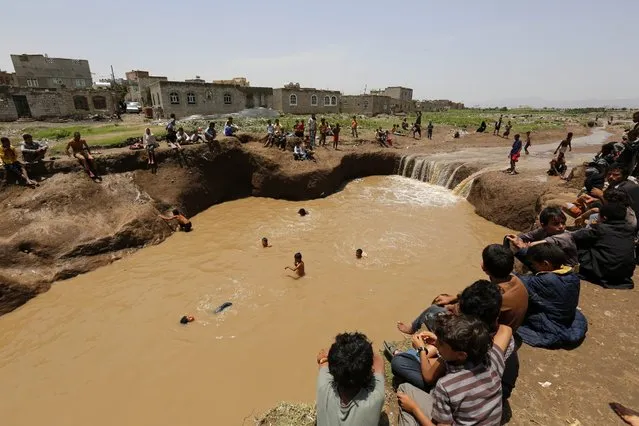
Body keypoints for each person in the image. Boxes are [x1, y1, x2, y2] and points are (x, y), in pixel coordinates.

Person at [396, 315, 512, 426]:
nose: (436, 346)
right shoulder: (493, 358)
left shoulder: (447, 385)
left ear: (461, 355)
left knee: (404, 390)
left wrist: (414, 408)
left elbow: (429, 377)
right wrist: (441, 341)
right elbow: (506, 330)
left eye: (441, 344)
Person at [517, 243, 588, 349]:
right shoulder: (571, 275)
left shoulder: (546, 280)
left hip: (551, 326)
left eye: (535, 264)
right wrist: (520, 250)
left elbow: (517, 280)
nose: (533, 266)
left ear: (546, 264)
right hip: (566, 318)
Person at [315, 332, 384, 426]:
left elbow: (322, 358)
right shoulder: (376, 398)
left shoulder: (323, 386)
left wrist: (331, 356)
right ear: (368, 372)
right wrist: (362, 350)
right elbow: (379, 361)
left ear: (331, 370)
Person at [572, 202, 636, 289]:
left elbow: (576, 236)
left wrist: (592, 226)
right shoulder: (630, 229)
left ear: (604, 218)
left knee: (580, 243)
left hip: (604, 271)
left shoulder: (601, 228)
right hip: (624, 273)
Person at [506, 206, 578, 268]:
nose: (561, 226)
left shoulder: (566, 236)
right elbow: (525, 236)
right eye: (556, 224)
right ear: (543, 225)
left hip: (566, 269)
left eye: (563, 223)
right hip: (550, 265)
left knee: (525, 253)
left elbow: (549, 241)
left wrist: (528, 245)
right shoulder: (542, 231)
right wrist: (518, 239)